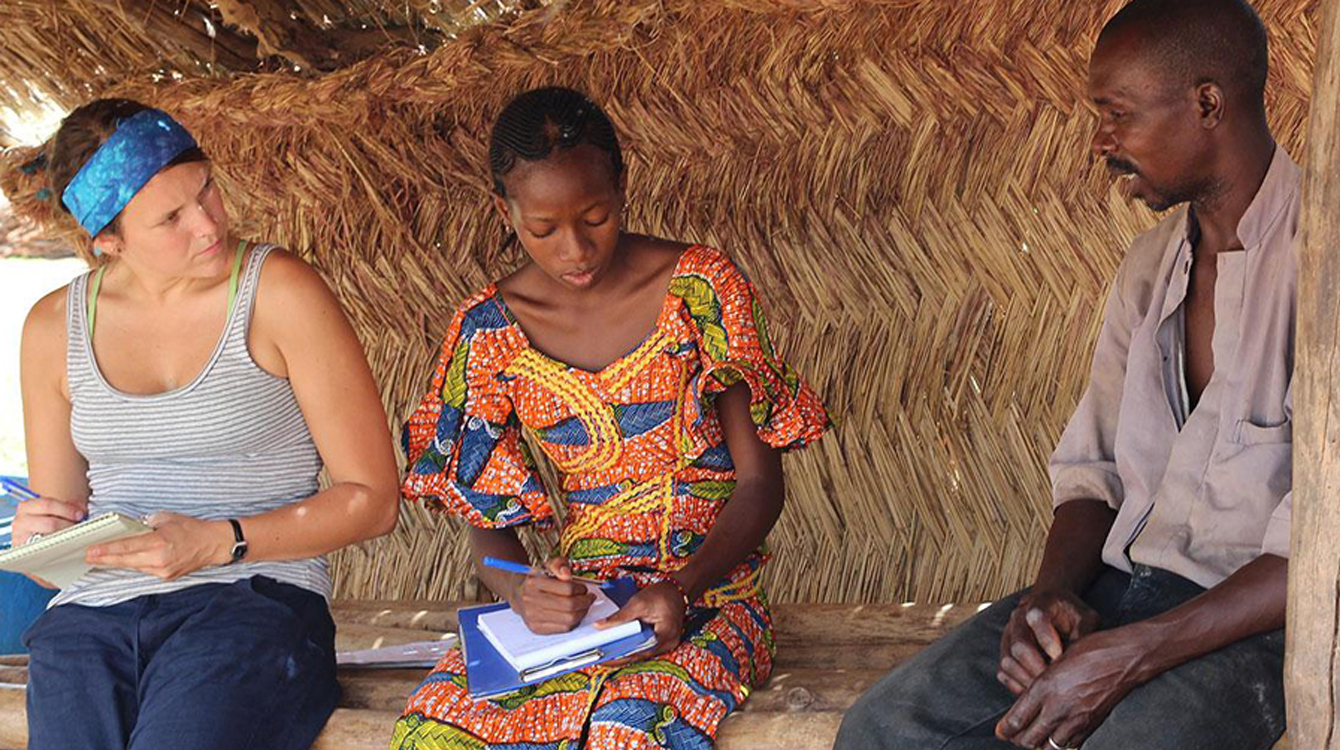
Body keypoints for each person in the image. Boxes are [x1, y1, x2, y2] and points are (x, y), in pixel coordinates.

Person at [836, 1, 1294, 748]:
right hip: (1120, 596)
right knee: (884, 728)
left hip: (1259, 630)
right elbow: (1094, 475)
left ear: (1208, 103)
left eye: (1119, 114)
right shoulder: (1149, 270)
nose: (1101, 142)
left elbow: (1318, 554)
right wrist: (1051, 597)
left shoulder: (1324, 267)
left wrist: (1132, 657)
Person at [392, 86, 830, 749]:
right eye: (543, 229)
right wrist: (521, 595)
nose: (575, 248)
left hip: (708, 600)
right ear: (505, 212)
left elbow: (759, 484)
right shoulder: (487, 333)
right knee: (434, 730)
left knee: (627, 732)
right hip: (580, 611)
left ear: (623, 187)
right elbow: (483, 518)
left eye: (595, 215)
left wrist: (680, 589)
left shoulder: (700, 291)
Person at [15, 98, 401, 749]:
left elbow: (375, 501)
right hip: (92, 622)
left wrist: (221, 540)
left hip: (253, 603)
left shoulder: (279, 293)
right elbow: (65, 537)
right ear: (108, 239)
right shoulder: (54, 328)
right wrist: (39, 541)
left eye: (206, 190)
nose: (207, 224)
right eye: (171, 218)